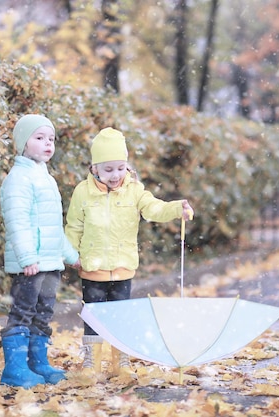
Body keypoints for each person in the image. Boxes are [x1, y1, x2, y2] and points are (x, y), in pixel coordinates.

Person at [65, 127, 194, 378]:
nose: (116, 175)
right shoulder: (83, 191)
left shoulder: (135, 190)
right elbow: (74, 225)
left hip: (123, 267)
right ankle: (91, 364)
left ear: (127, 166)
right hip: (93, 267)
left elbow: (153, 209)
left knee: (121, 316)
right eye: (108, 169)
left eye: (120, 168)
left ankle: (119, 363)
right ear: (95, 169)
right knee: (94, 316)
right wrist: (72, 254)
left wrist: (177, 208)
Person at [0, 114, 80, 389]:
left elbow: (53, 227)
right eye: (39, 138)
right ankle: (15, 369)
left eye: (51, 139)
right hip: (30, 265)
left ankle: (38, 363)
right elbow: (17, 221)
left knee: (43, 313)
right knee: (23, 311)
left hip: (50, 263)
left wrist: (70, 256)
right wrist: (27, 257)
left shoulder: (47, 179)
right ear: (23, 144)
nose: (48, 143)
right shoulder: (18, 179)